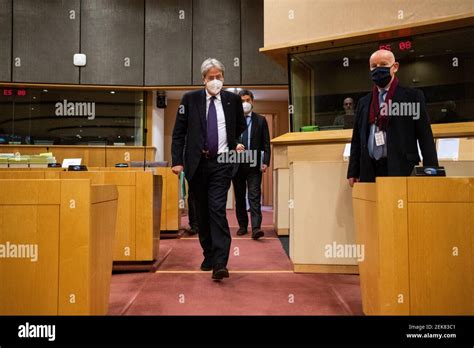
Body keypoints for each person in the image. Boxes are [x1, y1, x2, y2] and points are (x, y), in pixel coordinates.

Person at [171, 58, 246, 280]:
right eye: (211, 78)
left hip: (222, 163)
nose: (215, 81)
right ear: (203, 79)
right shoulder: (190, 99)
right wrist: (177, 160)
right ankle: (209, 255)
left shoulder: (232, 100)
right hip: (197, 164)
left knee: (216, 209)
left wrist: (232, 143)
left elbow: (240, 125)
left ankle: (220, 263)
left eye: (219, 77)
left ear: (224, 78)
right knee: (202, 214)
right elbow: (179, 133)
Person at [347, 49, 438, 186]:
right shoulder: (364, 102)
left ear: (395, 67)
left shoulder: (412, 97)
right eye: (374, 66)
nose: (378, 69)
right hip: (370, 170)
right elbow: (357, 139)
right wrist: (353, 171)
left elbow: (425, 135)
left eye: (383, 65)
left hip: (401, 168)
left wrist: (432, 170)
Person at [232, 89, 271, 240]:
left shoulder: (260, 120)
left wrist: (266, 162)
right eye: (242, 101)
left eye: (247, 100)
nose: (245, 103)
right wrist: (235, 144)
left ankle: (256, 228)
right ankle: (242, 226)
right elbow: (228, 140)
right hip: (236, 164)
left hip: (254, 164)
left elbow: (266, 144)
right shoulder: (233, 121)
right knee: (240, 197)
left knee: (254, 196)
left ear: (252, 101)